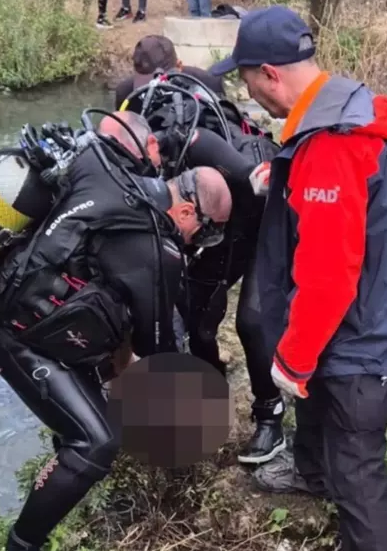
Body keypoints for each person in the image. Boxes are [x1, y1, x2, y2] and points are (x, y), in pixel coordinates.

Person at [210, 5, 387, 551]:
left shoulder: (333, 142)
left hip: (361, 338)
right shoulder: (335, 113)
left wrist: (292, 357)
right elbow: (335, 201)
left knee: (361, 477)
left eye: (245, 78)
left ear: (269, 73)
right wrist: (288, 179)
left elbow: (331, 274)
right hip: (366, 318)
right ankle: (308, 469)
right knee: (319, 418)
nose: (244, 89)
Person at [0, 132, 232, 551]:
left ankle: (59, 497)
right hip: (12, 333)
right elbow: (157, 352)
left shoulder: (126, 187)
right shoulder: (158, 250)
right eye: (206, 231)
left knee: (87, 419)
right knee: (95, 440)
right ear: (187, 210)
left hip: (20, 317)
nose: (202, 242)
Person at [119, 74, 286, 464]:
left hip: (256, 213)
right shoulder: (128, 160)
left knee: (250, 320)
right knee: (192, 316)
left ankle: (269, 415)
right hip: (206, 215)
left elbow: (257, 189)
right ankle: (204, 399)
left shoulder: (194, 142)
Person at [114, 35, 224, 108]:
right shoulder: (126, 93)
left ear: (179, 66)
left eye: (161, 81)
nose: (154, 89)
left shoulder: (207, 84)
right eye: (146, 83)